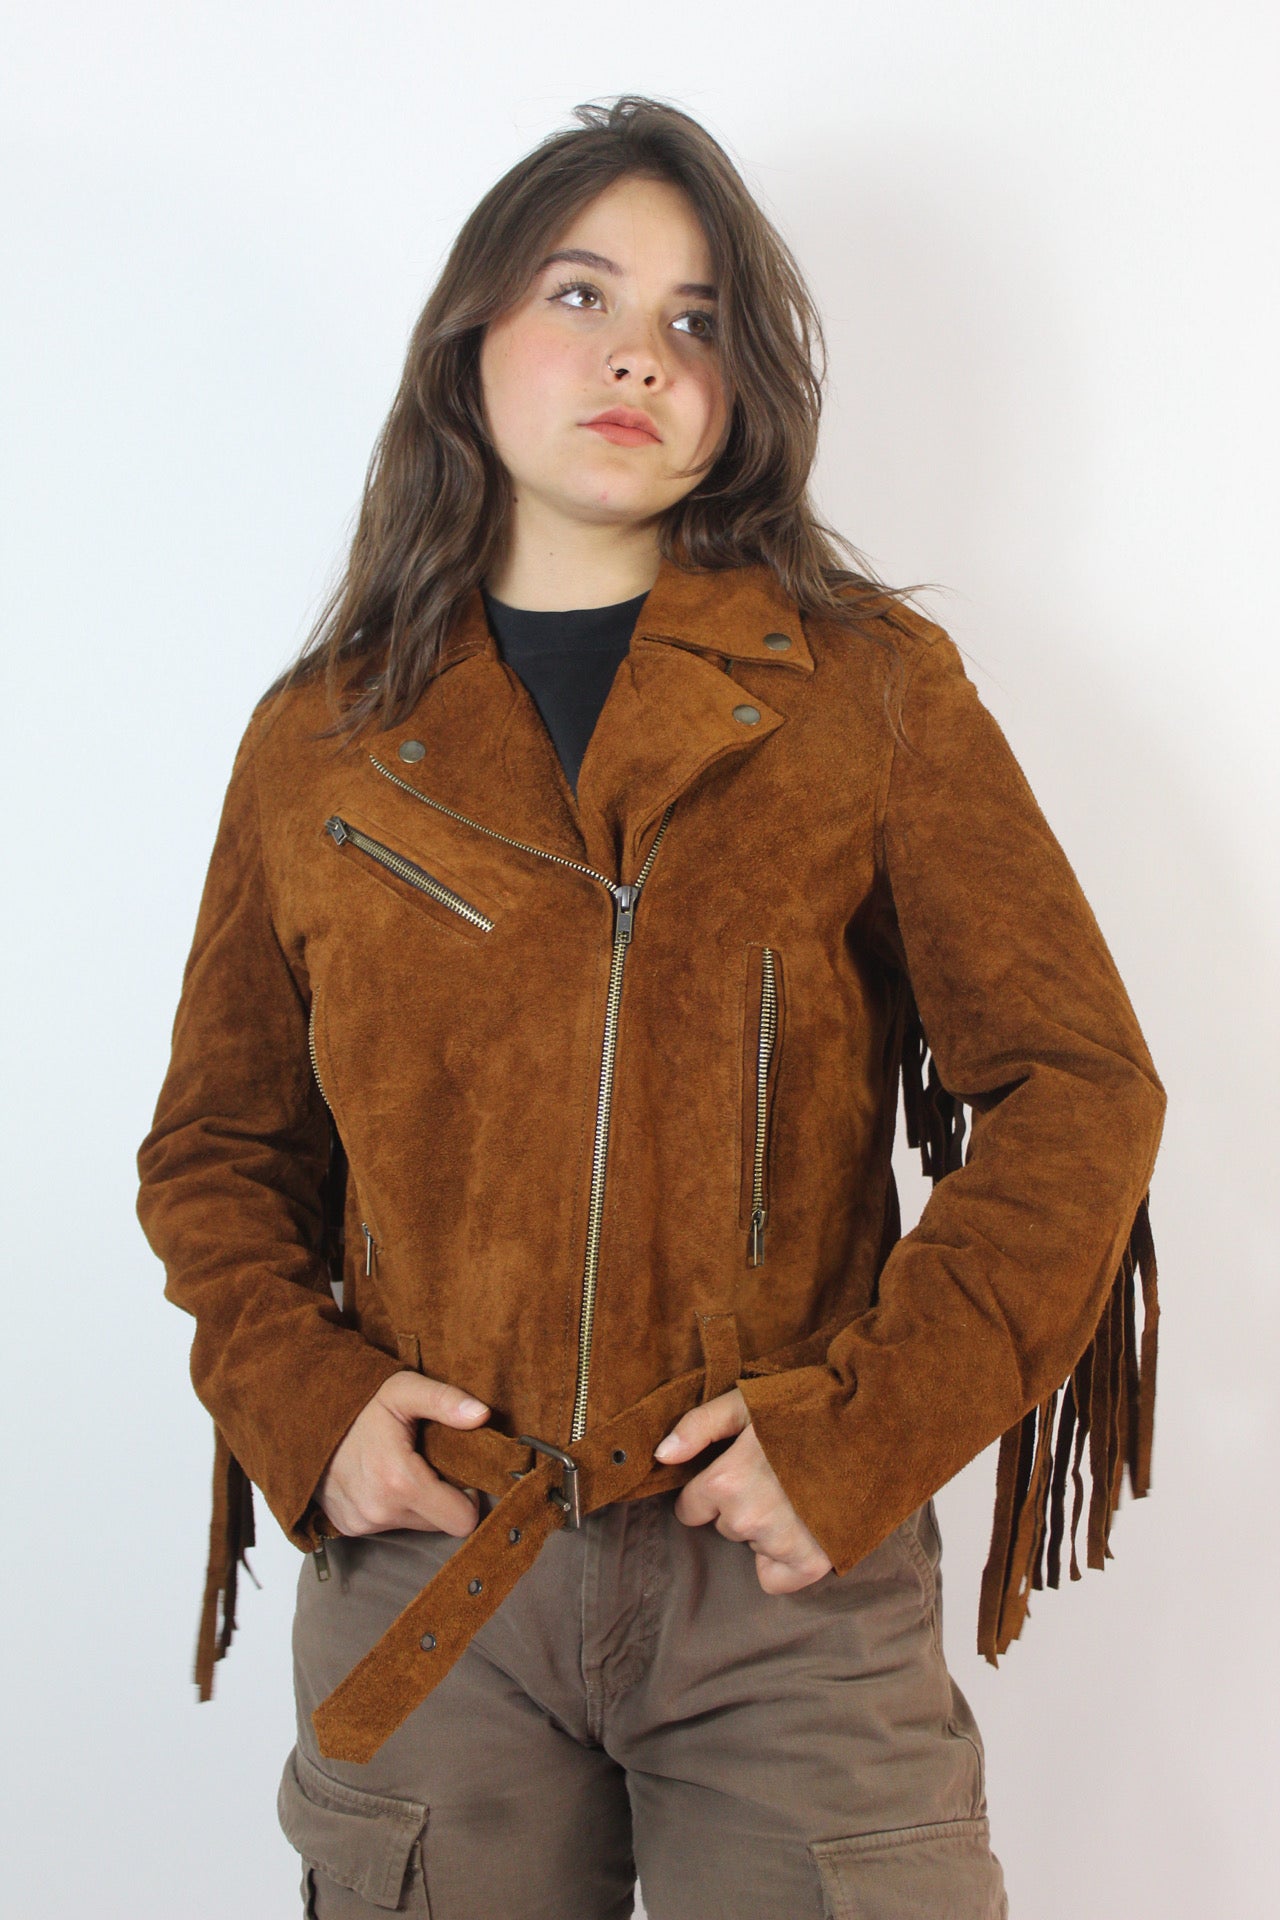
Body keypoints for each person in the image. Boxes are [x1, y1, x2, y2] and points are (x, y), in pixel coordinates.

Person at [136, 95, 1164, 1920]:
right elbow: (217, 1146)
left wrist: (863, 1432)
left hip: (783, 1585)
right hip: (437, 1569)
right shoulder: (324, 741)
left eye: (698, 320)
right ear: (469, 341)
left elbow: (1079, 1087)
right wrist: (308, 1401)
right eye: (582, 292)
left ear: (741, 387)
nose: (642, 355)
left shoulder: (868, 691)